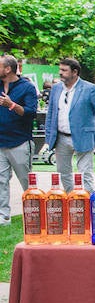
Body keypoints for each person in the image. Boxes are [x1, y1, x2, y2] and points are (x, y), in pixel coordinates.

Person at [44, 58, 95, 193]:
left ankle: (86, 201)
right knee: (63, 172)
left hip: (84, 136)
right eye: (60, 70)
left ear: (75, 72)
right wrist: (48, 136)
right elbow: (51, 113)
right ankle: (71, 200)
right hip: (61, 137)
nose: (60, 73)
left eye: (64, 70)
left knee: (85, 173)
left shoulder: (90, 89)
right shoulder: (56, 88)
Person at [0, 55, 38, 226]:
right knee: (1, 181)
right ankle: (4, 216)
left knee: (26, 180)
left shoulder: (27, 87)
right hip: (1, 142)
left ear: (8, 69)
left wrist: (12, 105)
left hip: (20, 142)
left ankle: (33, 213)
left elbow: (31, 113)